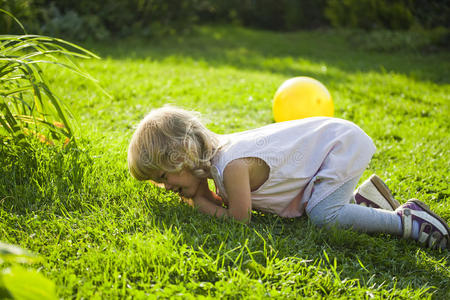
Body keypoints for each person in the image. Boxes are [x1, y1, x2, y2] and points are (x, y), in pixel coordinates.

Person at [128, 106, 449, 250]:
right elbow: (222, 202)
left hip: (337, 146)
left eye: (163, 176)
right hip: (321, 159)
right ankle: (367, 202)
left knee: (323, 216)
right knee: (320, 206)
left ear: (182, 155)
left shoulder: (231, 166)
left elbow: (239, 219)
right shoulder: (216, 165)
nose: (166, 187)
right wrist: (202, 196)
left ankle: (408, 220)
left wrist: (198, 202)